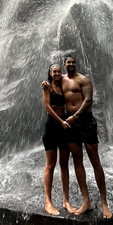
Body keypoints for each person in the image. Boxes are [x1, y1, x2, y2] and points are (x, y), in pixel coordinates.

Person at [46, 55, 112, 218]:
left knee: (94, 159)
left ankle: (104, 202)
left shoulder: (84, 80)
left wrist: (75, 117)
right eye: (68, 62)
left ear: (76, 64)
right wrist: (45, 84)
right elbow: (51, 79)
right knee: (77, 159)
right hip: (70, 123)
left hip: (84, 121)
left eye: (73, 62)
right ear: (64, 65)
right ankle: (86, 201)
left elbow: (89, 100)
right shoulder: (60, 79)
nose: (70, 64)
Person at [41, 64, 76, 215]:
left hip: (64, 126)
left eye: (58, 71)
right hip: (52, 126)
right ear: (50, 73)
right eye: (54, 71)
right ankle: (48, 202)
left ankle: (66, 201)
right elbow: (48, 107)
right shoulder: (47, 87)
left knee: (64, 164)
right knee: (50, 164)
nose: (56, 73)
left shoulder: (63, 86)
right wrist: (61, 122)